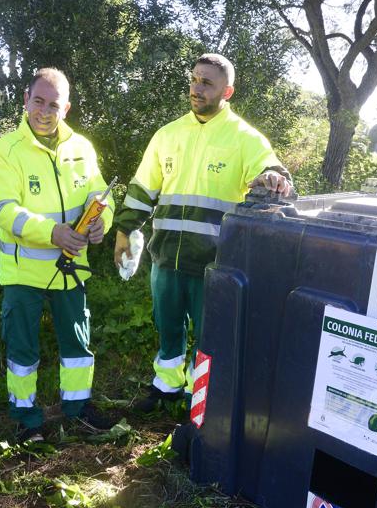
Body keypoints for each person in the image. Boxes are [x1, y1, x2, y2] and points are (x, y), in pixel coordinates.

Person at [114, 53, 292, 412]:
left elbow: (273, 171)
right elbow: (142, 188)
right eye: (194, 80)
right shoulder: (168, 134)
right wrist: (124, 232)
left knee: (208, 337)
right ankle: (165, 388)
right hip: (165, 256)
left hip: (213, 261)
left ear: (227, 91)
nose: (197, 88)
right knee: (167, 329)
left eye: (207, 83)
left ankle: (201, 404)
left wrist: (273, 176)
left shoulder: (244, 137)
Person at [0, 68, 118, 442]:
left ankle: (78, 410)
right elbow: (5, 211)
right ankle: (26, 421)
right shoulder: (5, 150)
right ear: (25, 100)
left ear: (67, 109)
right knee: (22, 349)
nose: (45, 110)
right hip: (22, 273)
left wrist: (100, 223)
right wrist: (53, 233)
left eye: (54, 104)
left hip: (70, 270)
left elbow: (100, 198)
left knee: (78, 344)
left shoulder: (82, 148)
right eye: (38, 101)